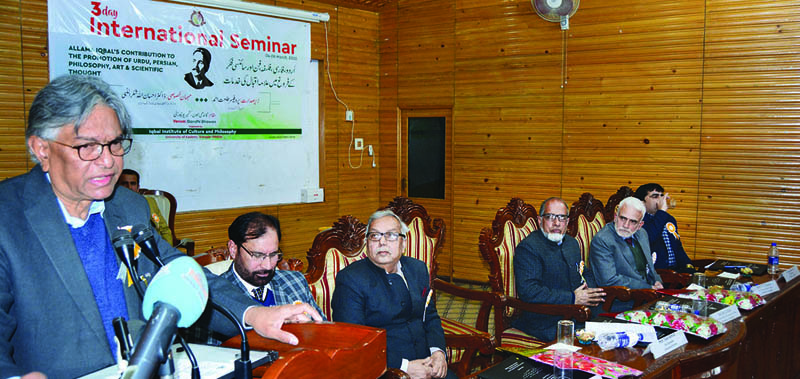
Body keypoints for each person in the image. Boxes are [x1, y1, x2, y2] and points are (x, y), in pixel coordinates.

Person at [0, 75, 320, 378]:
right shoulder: (8, 216)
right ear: (42, 148)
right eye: (89, 147)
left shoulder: (128, 207)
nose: (108, 160)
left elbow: (183, 274)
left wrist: (254, 315)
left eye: (115, 144)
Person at [331, 210, 454, 379]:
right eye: (374, 236)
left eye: (391, 235)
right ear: (367, 243)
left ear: (403, 243)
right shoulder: (351, 279)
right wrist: (404, 367)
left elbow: (430, 316)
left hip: (428, 365)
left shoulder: (417, 269)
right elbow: (353, 341)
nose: (382, 242)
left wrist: (438, 352)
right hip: (384, 371)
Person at [513, 197, 606, 341]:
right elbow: (529, 291)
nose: (556, 223)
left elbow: (584, 271)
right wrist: (573, 298)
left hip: (579, 312)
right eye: (550, 217)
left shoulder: (571, 243)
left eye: (561, 218)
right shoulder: (529, 248)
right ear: (540, 220)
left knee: (612, 331)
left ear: (567, 222)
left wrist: (590, 292)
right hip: (547, 319)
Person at [222, 212, 324, 318]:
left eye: (273, 254)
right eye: (257, 255)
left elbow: (324, 330)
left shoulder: (295, 282)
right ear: (233, 249)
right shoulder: (216, 297)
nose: (268, 266)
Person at [590, 197, 664, 290]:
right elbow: (608, 280)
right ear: (615, 217)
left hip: (648, 292)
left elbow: (649, 268)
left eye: (633, 221)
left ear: (639, 225)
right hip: (622, 299)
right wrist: (649, 288)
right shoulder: (603, 240)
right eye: (623, 218)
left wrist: (657, 281)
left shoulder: (642, 234)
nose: (625, 225)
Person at [634, 183, 694, 272]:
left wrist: (689, 267)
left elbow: (677, 247)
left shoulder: (668, 219)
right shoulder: (637, 220)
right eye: (655, 196)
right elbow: (649, 238)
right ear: (642, 202)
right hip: (655, 272)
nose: (661, 199)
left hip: (675, 271)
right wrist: (661, 212)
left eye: (661, 195)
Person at [117, 168, 174, 244]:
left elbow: (164, 229)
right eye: (124, 183)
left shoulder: (149, 202)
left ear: (138, 187)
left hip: (155, 245)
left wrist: (168, 250)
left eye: (133, 183)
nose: (129, 187)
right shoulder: (112, 206)